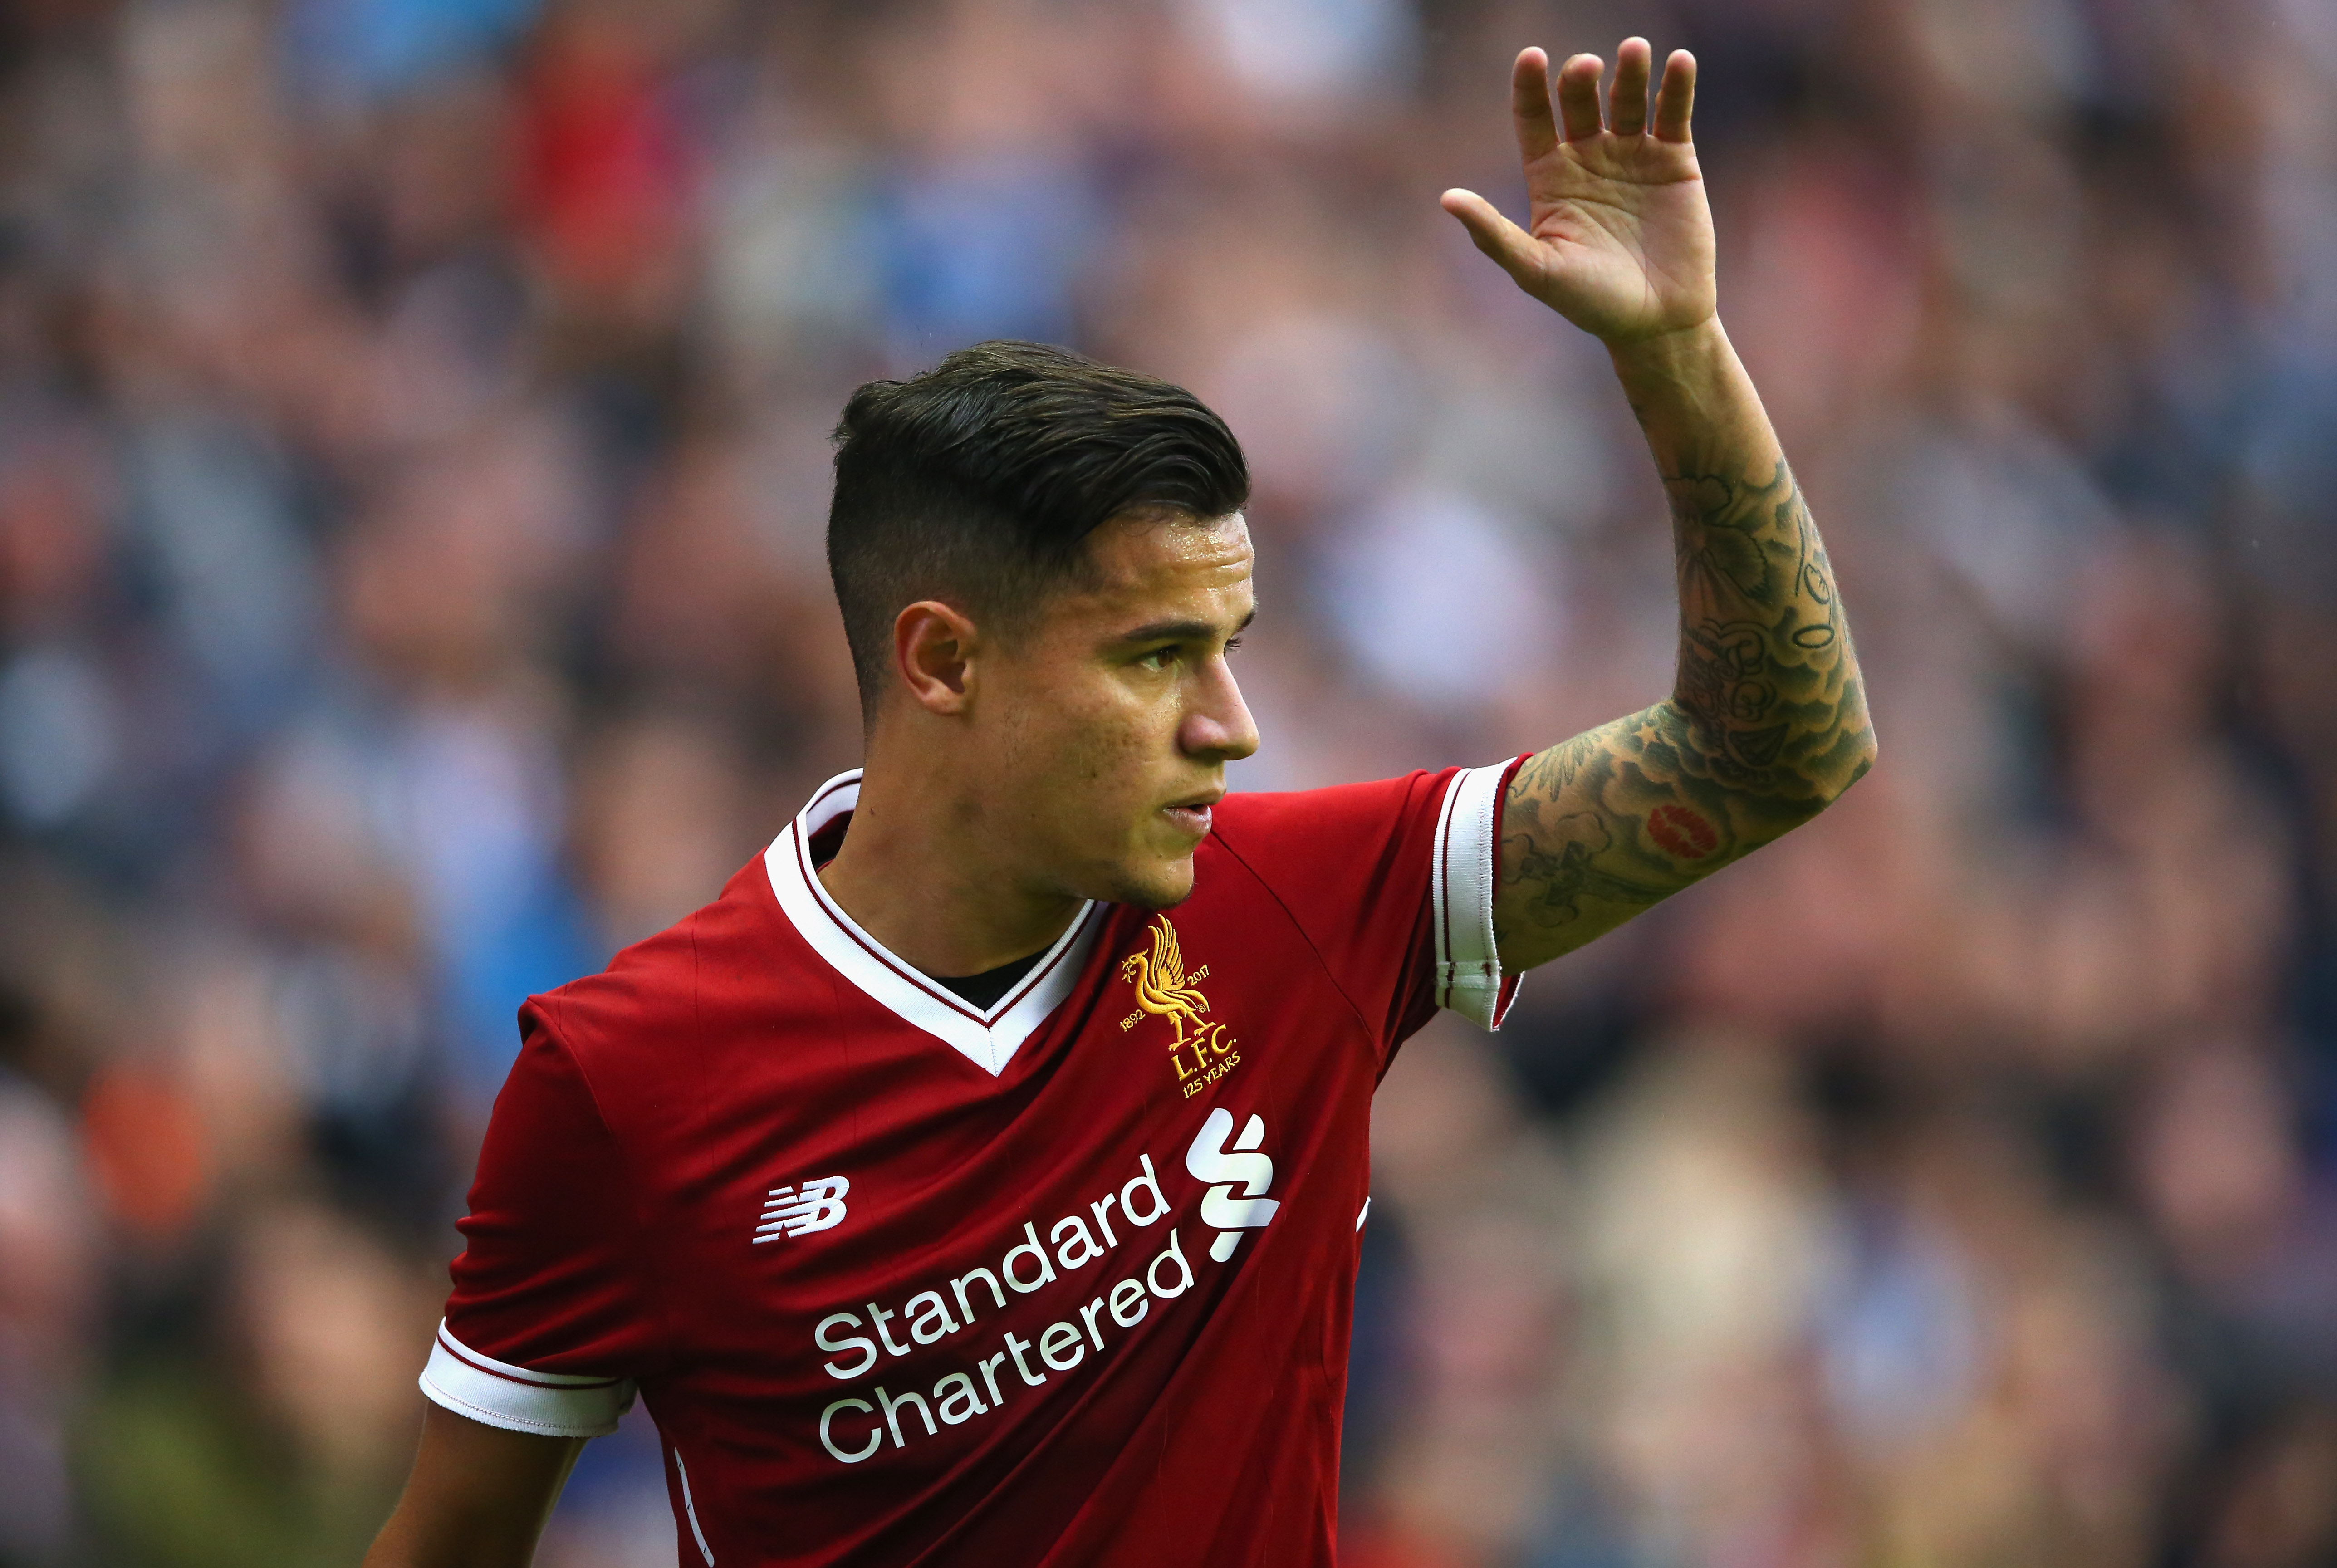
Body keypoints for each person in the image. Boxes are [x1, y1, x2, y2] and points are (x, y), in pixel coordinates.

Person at [365, 38, 1874, 1568]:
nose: (1234, 725)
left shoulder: (1304, 901)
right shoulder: (626, 1084)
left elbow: (1775, 753)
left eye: (1230, 649)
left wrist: (1678, 350)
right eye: (1158, 658)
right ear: (944, 660)